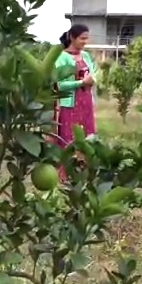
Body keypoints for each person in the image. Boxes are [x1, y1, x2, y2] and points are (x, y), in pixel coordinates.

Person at [52, 24, 98, 180]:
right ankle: (64, 176)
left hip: (86, 103)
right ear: (72, 37)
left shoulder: (86, 56)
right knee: (68, 139)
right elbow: (60, 84)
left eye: (86, 38)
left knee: (87, 137)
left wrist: (92, 80)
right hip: (70, 104)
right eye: (82, 38)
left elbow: (94, 73)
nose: (85, 41)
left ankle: (83, 173)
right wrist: (80, 83)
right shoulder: (62, 57)